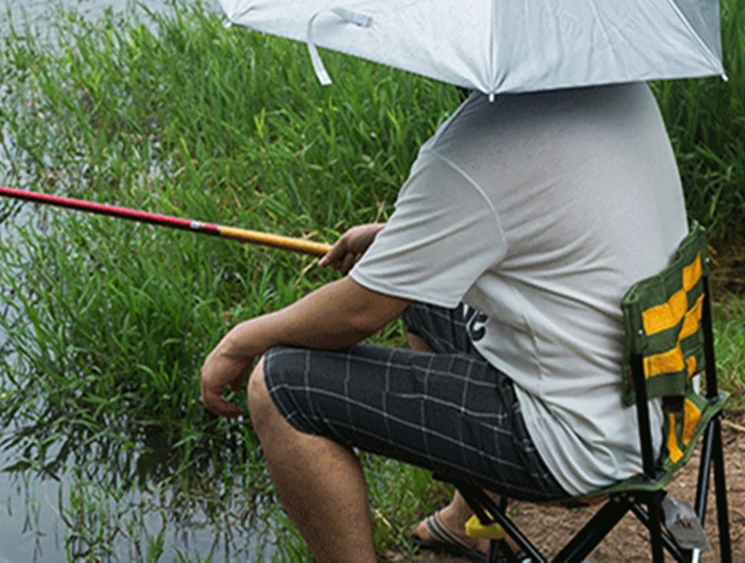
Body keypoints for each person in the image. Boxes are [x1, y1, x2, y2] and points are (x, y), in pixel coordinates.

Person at [200, 81, 688, 563]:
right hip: (662, 402)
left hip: (577, 442)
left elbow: (358, 312)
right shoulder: (620, 89)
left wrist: (242, 339)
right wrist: (404, 240)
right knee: (422, 295)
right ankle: (468, 521)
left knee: (279, 384)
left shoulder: (477, 146)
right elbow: (552, 208)